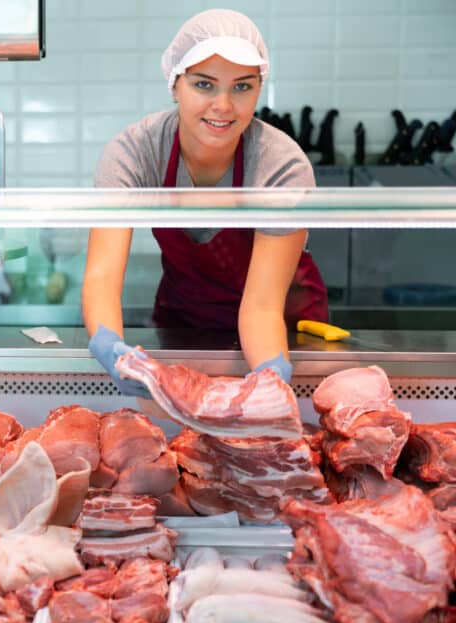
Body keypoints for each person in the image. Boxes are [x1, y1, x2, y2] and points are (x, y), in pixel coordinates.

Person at [83, 9, 328, 395]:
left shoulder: (280, 165)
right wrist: (110, 346)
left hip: (282, 330)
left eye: (242, 87)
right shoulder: (136, 152)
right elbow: (102, 276)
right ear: (175, 84)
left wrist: (270, 378)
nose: (223, 106)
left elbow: (262, 308)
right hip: (184, 324)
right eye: (204, 84)